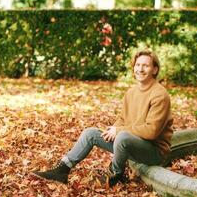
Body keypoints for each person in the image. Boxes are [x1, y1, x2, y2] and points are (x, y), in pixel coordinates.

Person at [33, 49, 173, 187]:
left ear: (154, 70)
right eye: (138, 65)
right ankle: (62, 170)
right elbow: (123, 119)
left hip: (154, 152)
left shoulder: (159, 95)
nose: (140, 69)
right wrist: (112, 130)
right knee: (91, 134)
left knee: (123, 136)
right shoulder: (131, 92)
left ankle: (115, 174)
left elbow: (152, 131)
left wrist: (119, 131)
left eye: (145, 65)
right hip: (132, 142)